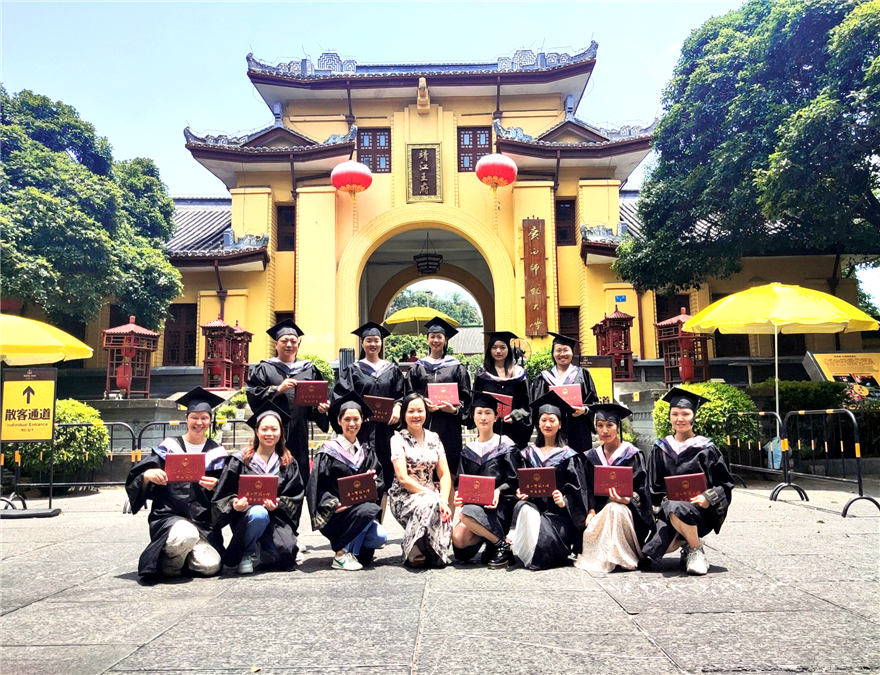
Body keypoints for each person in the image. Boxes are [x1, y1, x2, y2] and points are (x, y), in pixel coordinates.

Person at [125, 387, 228, 582]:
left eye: (204, 418)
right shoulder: (169, 447)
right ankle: (171, 564)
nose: (199, 422)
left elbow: (228, 491)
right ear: (186, 419)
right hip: (169, 517)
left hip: (204, 524)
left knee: (210, 566)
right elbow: (137, 477)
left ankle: (184, 557)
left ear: (210, 420)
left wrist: (216, 485)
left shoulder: (217, 452)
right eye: (194, 417)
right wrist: (148, 475)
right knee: (185, 535)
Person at [641, 387, 735, 575]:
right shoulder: (661, 448)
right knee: (654, 551)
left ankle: (695, 550)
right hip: (669, 511)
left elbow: (725, 483)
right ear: (670, 417)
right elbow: (652, 486)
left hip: (700, 511)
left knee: (678, 509)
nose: (680, 419)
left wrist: (708, 497)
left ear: (694, 417)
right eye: (675, 414)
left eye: (685, 414)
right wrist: (662, 505)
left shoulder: (707, 448)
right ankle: (688, 543)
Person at [212, 403, 304, 574]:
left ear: (281, 432)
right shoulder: (240, 460)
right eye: (264, 429)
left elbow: (296, 495)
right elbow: (223, 494)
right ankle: (246, 554)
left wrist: (278, 504)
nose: (269, 434)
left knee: (284, 555)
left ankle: (262, 550)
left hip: (276, 519)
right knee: (258, 513)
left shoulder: (287, 462)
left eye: (274, 429)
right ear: (256, 431)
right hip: (247, 518)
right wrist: (235, 504)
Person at [307, 392, 387, 571]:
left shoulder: (366, 451)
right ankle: (341, 554)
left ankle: (351, 551)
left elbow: (380, 481)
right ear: (339, 421)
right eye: (347, 419)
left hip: (360, 511)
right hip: (338, 513)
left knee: (380, 537)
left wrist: (374, 482)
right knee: (369, 510)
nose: (352, 424)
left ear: (362, 420)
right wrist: (333, 503)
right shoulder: (328, 452)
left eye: (356, 419)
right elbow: (317, 486)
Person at [510, 391, 589, 570]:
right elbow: (519, 484)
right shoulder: (527, 454)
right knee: (523, 507)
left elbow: (579, 492)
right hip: (533, 513)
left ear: (560, 424)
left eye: (552, 420)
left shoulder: (568, 456)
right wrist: (520, 492)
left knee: (544, 541)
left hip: (558, 519)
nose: (547, 424)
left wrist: (565, 501)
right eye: (543, 420)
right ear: (538, 423)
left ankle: (533, 552)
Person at [246, 319, 330, 483]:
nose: (289, 345)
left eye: (293, 341)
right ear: (276, 344)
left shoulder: (309, 369)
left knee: (299, 471)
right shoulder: (265, 368)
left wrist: (320, 409)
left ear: (298, 344)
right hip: (272, 432)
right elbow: (253, 393)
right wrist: (277, 389)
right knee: (272, 470)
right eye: (284, 341)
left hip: (299, 430)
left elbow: (318, 400)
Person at [332, 321, 404, 513]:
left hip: (385, 433)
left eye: (376, 340)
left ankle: (379, 521)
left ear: (381, 343)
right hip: (361, 431)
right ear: (362, 343)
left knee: (384, 476)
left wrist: (398, 407)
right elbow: (342, 398)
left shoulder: (392, 369)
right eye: (369, 340)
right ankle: (360, 519)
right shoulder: (352, 370)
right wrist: (357, 414)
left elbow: (401, 395)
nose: (373, 344)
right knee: (360, 475)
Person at [575, 403, 653, 573]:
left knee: (616, 509)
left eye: (609, 425)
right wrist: (591, 510)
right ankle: (610, 556)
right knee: (610, 509)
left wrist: (627, 499)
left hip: (628, 513)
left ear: (618, 427)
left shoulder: (632, 454)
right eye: (600, 425)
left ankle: (623, 556)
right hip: (601, 512)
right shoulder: (591, 457)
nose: (604, 430)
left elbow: (643, 490)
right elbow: (586, 489)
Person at [451, 393, 519, 569]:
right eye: (479, 413)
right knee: (459, 540)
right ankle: (495, 542)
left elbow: (515, 480)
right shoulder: (468, 450)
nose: (483, 417)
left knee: (466, 514)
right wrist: (459, 495)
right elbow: (461, 482)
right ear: (473, 417)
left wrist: (498, 490)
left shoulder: (506, 446)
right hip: (475, 508)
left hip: (500, 507)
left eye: (488, 413)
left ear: (496, 417)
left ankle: (501, 545)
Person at [387, 392, 453, 567]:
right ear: (404, 414)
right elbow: (403, 478)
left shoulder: (434, 438)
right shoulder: (397, 439)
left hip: (431, 494)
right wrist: (433, 496)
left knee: (438, 507)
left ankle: (428, 545)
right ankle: (412, 546)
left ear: (426, 412)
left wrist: (444, 499)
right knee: (429, 503)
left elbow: (444, 474)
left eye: (420, 411)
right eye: (411, 411)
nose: (416, 415)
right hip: (404, 495)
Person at [406, 316, 471, 476]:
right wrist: (422, 405)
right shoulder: (418, 368)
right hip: (423, 424)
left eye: (439, 337)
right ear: (427, 339)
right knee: (423, 468)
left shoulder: (456, 367)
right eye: (432, 336)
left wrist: (454, 410)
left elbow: (466, 398)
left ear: (445, 339)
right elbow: (409, 394)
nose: (436, 340)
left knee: (449, 468)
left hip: (449, 427)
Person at [529, 332, 598, 453]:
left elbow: (594, 403)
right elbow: (535, 406)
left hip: (578, 431)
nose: (562, 354)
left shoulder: (583, 374)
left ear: (572, 352)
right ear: (553, 353)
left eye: (566, 350)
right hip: (551, 433)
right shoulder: (543, 378)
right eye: (558, 350)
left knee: (578, 461)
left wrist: (585, 410)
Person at [472, 331, 531, 448]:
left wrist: (516, 415)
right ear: (489, 350)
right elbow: (475, 401)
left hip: (514, 429)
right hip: (490, 428)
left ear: (509, 349)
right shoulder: (482, 374)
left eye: (502, 347)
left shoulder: (519, 374)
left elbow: (527, 403)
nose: (498, 351)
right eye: (494, 347)